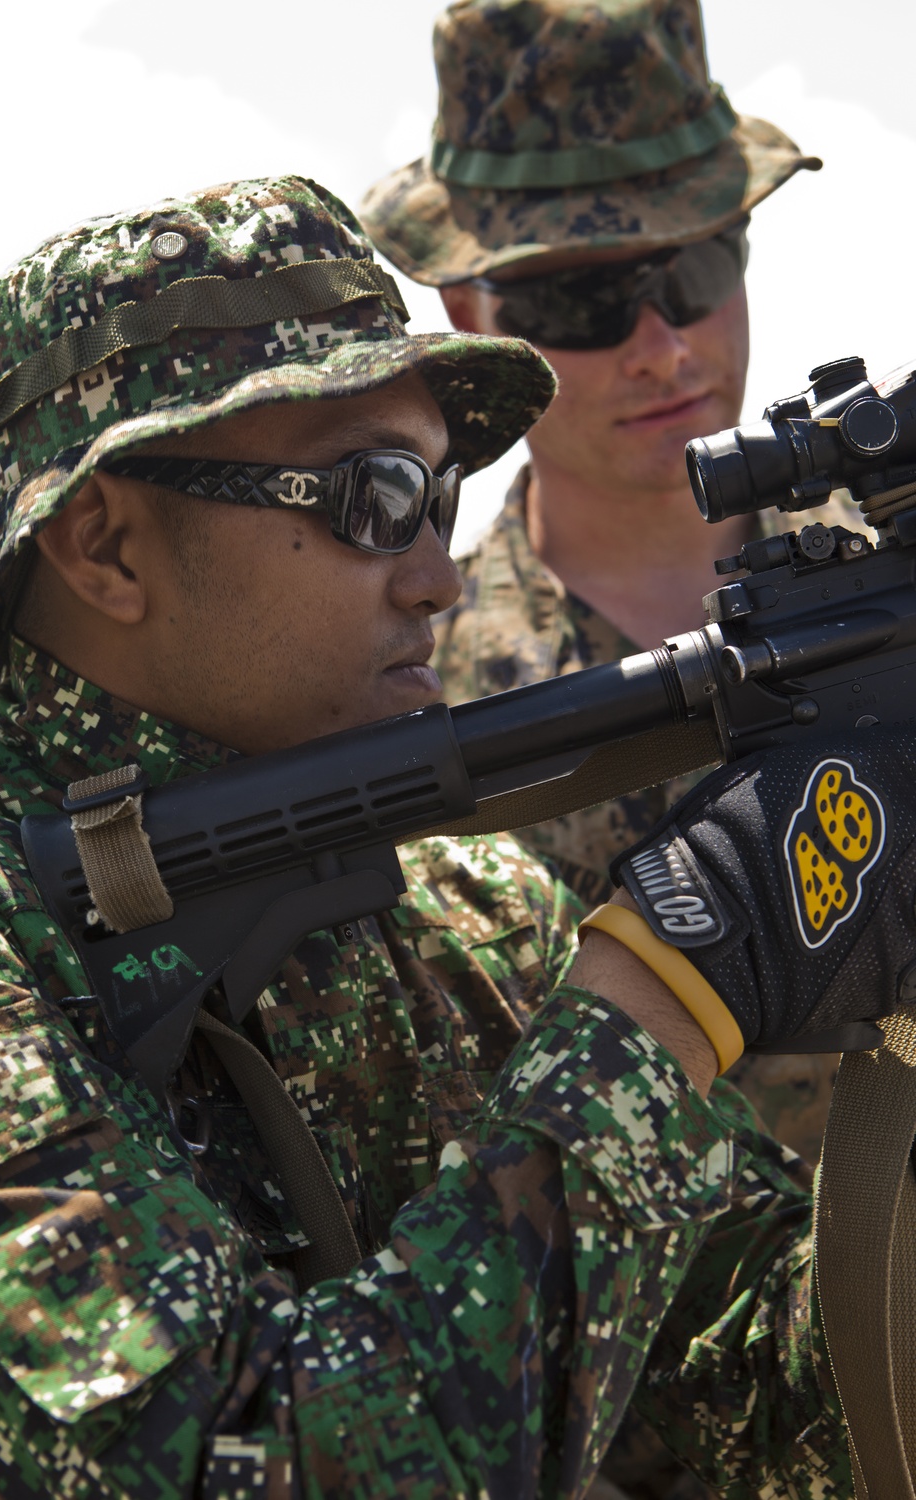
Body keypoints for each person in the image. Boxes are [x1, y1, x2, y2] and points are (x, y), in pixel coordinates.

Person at [0, 175, 870, 1499]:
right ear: (105, 548)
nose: (432, 572)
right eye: (371, 499)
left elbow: (771, 1401)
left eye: (441, 500)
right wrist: (668, 977)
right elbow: (239, 1467)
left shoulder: (470, 914)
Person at [361, 0, 849, 1182]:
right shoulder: (413, 711)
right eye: (579, 303)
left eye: (690, 270)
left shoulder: (884, 567)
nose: (658, 346)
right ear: (471, 314)